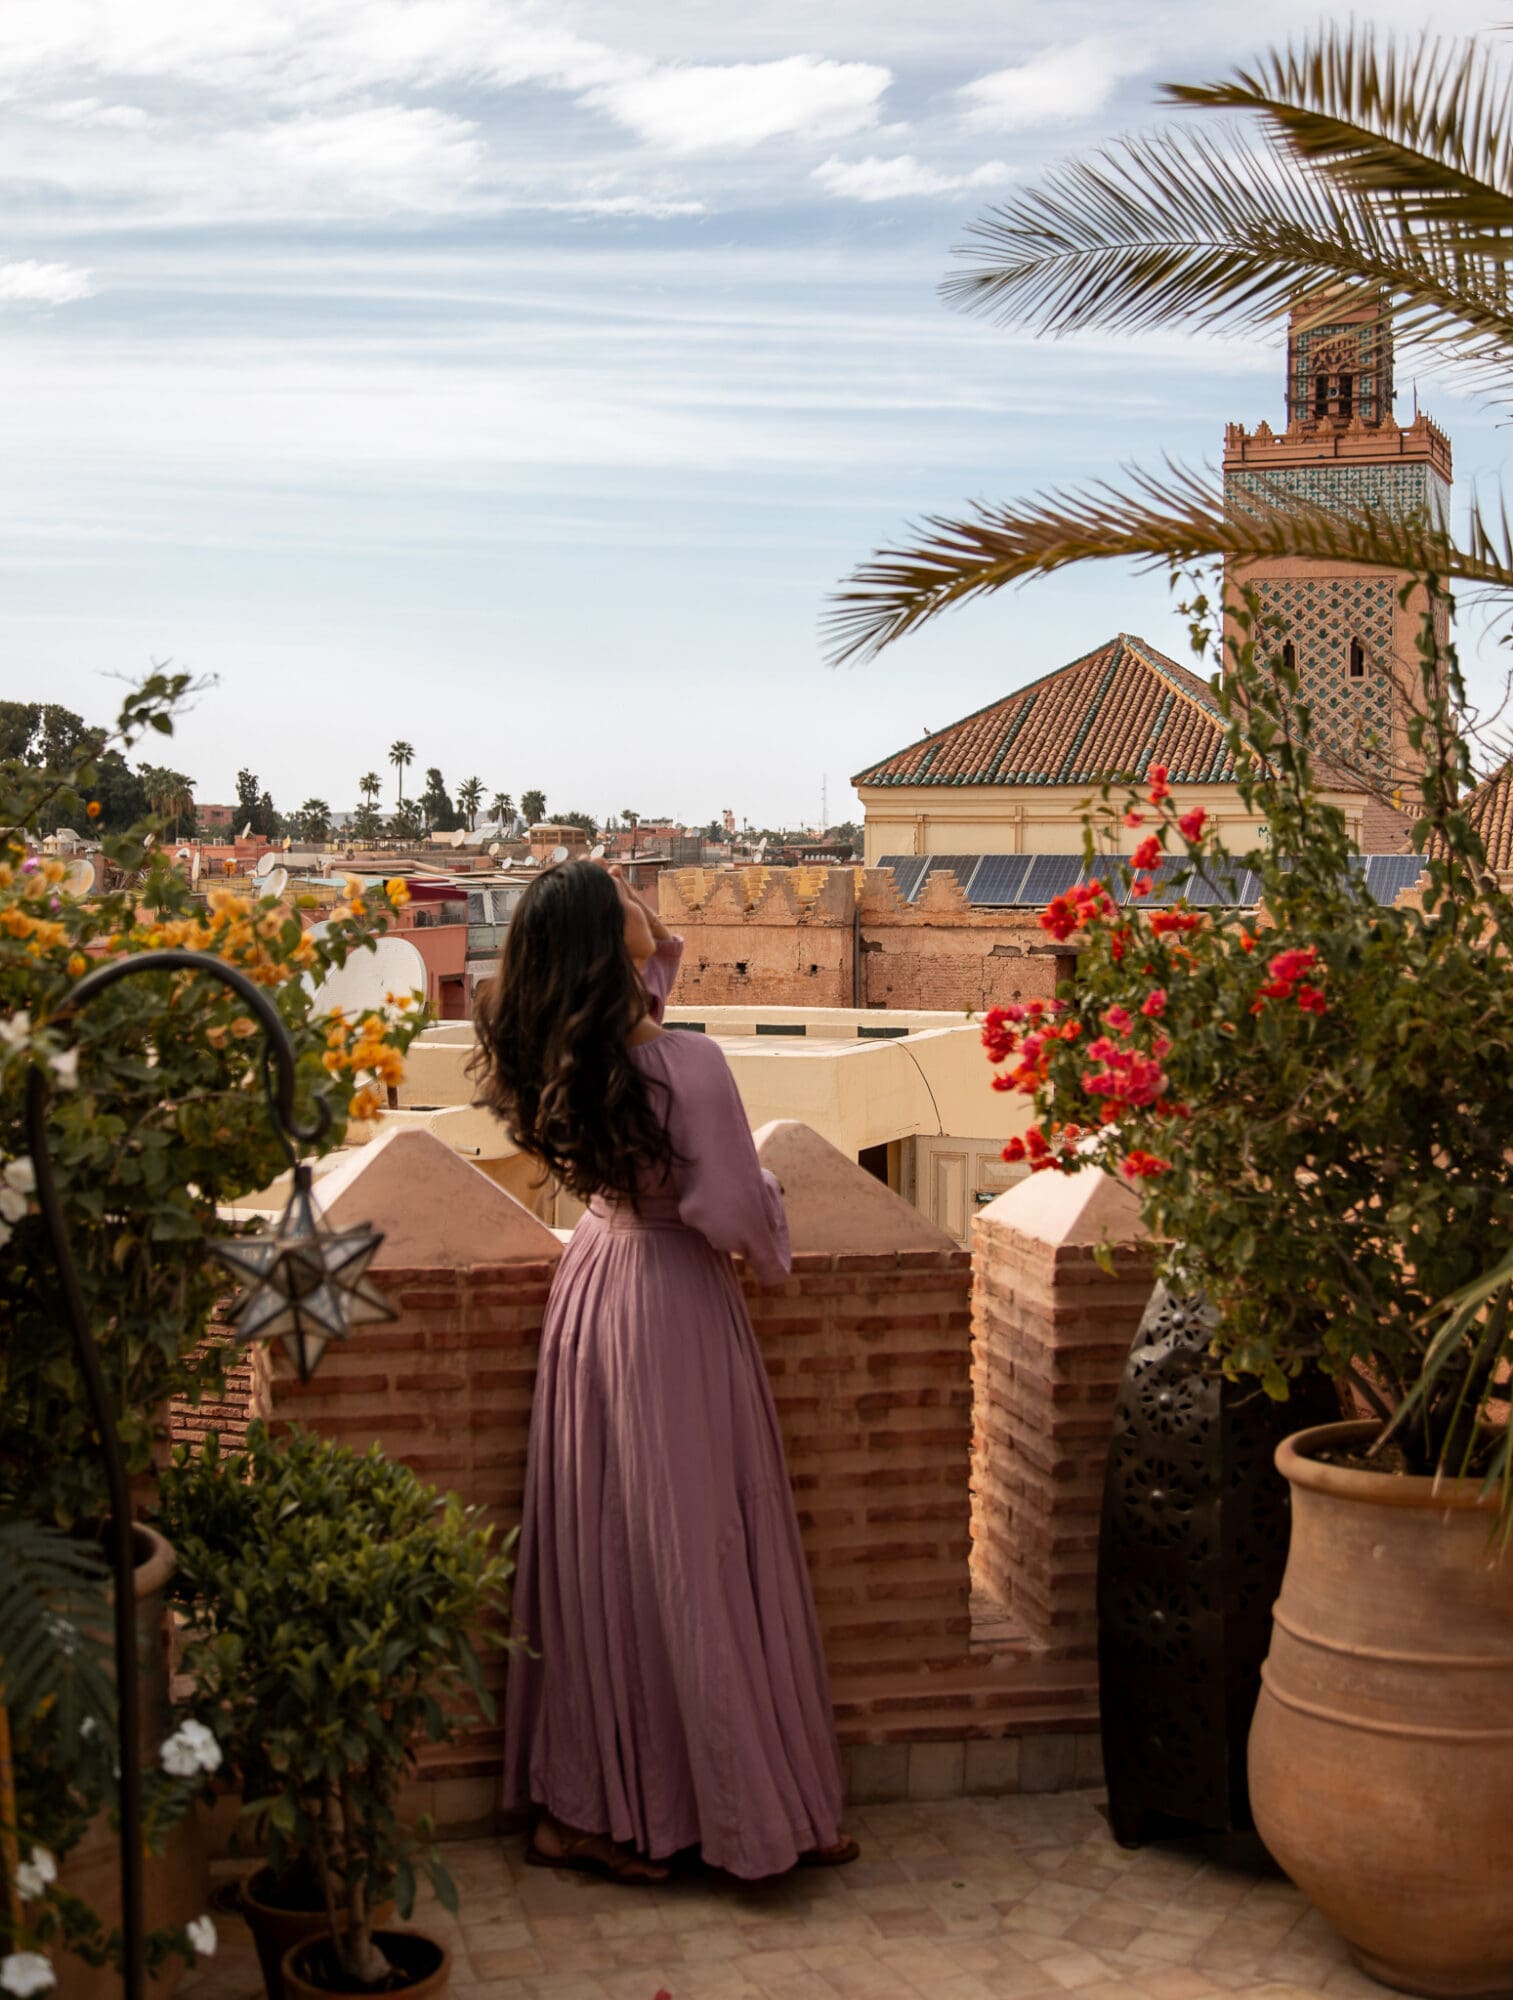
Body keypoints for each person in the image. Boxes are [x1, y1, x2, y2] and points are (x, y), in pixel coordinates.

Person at [471, 859, 855, 1884]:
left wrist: (648, 951)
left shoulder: (580, 1052)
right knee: (700, 1551)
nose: (653, 904)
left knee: (607, 1550)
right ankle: (739, 1808)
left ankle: (595, 1804)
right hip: (675, 1300)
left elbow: (647, 1029)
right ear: (611, 943)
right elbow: (729, 1214)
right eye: (631, 899)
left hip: (595, 1285)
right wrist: (769, 1215)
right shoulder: (691, 1064)